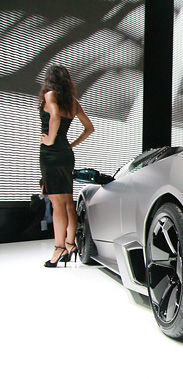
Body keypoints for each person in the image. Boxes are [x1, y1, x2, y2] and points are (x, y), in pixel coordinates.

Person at [39, 64, 94, 267]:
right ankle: (71, 244)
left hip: (51, 154)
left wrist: (51, 140)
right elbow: (89, 128)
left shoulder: (50, 95)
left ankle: (59, 248)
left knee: (57, 204)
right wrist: (70, 144)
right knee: (68, 202)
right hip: (65, 154)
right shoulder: (72, 102)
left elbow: (54, 116)